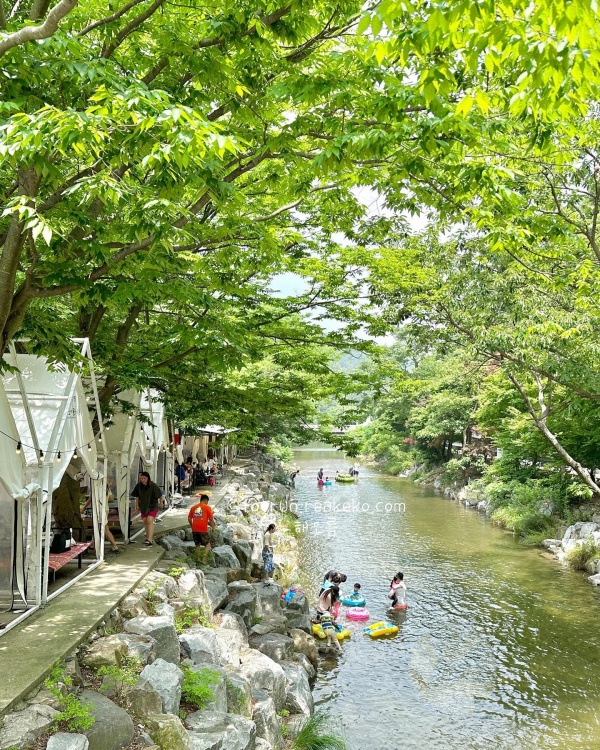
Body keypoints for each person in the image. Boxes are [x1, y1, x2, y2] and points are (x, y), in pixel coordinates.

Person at [131, 471, 164, 546]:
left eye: (144, 478)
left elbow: (160, 495)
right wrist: (137, 505)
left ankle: (150, 539)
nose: (143, 480)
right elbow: (137, 496)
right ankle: (148, 537)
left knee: (149, 520)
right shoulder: (139, 486)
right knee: (145, 521)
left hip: (153, 506)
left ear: (148, 478)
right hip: (143, 506)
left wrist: (161, 503)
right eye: (141, 478)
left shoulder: (153, 485)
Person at [188, 493, 216, 564]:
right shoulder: (207, 507)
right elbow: (211, 519)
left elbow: (190, 518)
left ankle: (197, 559)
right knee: (208, 544)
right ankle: (204, 559)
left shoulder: (193, 507)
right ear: (206, 500)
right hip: (203, 529)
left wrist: (192, 526)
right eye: (207, 502)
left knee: (197, 544)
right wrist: (213, 527)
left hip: (195, 529)